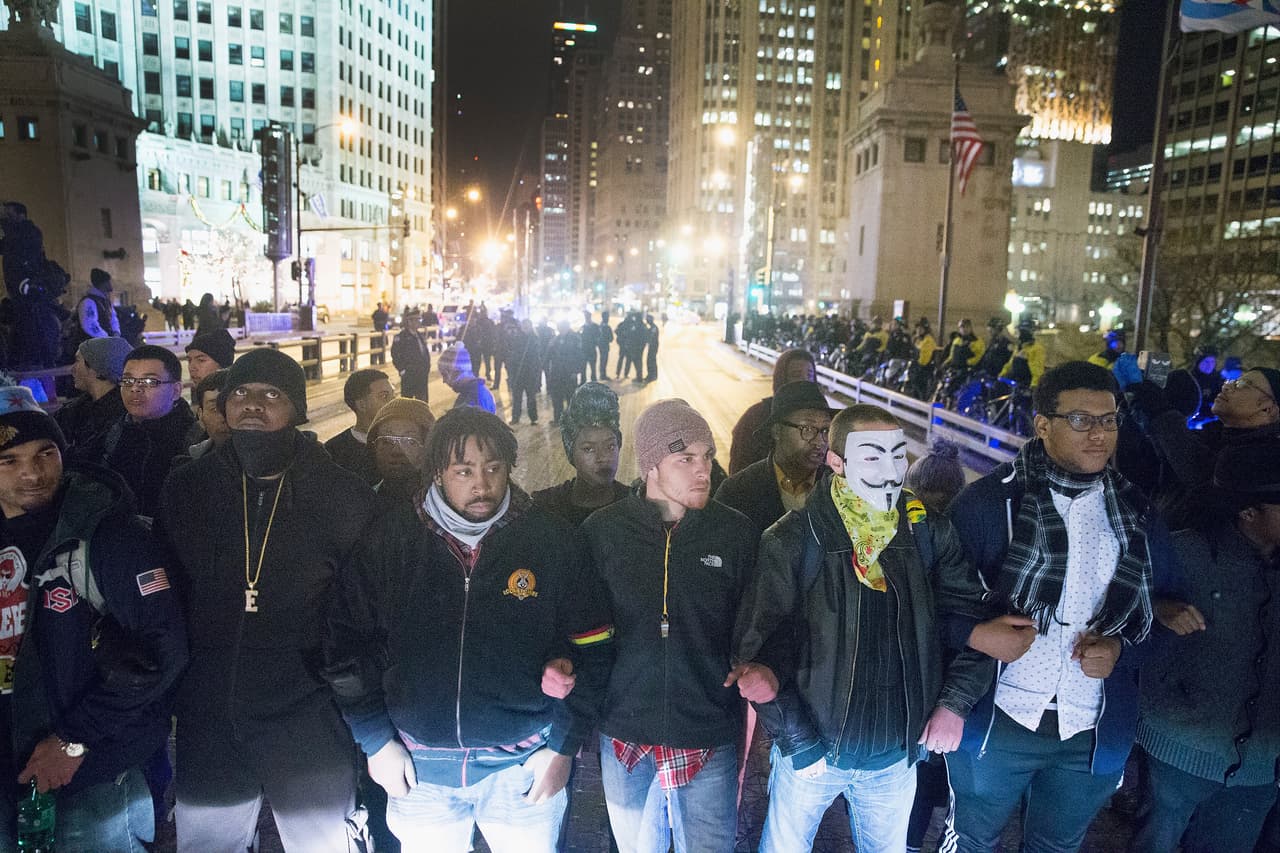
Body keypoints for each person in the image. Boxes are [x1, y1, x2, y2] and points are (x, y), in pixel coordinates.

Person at [325, 407, 614, 851]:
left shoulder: (551, 540)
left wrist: (563, 747)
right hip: (418, 770)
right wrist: (375, 741)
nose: (481, 484)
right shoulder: (392, 540)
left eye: (493, 468)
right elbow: (346, 643)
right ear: (438, 473)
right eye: (464, 470)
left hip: (523, 766)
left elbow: (594, 645)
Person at [732, 403, 993, 852]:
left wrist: (955, 703)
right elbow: (757, 647)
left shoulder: (927, 533)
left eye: (898, 455)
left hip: (895, 759)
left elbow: (972, 616)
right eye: (872, 456)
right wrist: (798, 739)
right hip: (811, 753)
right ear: (837, 461)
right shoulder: (793, 539)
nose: (891, 471)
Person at [944, 361, 1174, 853]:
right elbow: (931, 600)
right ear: (1043, 424)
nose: (1098, 434)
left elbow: (1162, 616)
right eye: (1080, 420)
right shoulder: (988, 504)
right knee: (971, 842)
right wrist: (978, 633)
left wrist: (1119, 650)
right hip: (998, 714)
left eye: (1109, 420)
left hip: (1091, 727)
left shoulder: (1138, 514)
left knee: (1057, 847)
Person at [158, 347, 374, 851]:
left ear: (296, 409)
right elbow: (165, 591)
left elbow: (365, 608)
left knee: (323, 842)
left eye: (271, 394)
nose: (252, 404)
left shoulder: (343, 496)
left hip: (308, 714)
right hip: (209, 714)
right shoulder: (188, 487)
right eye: (241, 393)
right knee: (208, 843)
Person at [0, 384, 187, 852]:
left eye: (46, 453)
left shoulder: (106, 534)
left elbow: (163, 647)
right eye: (10, 460)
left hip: (89, 773)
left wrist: (73, 740)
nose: (33, 473)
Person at [582, 399, 756, 853]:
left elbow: (759, 625)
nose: (704, 471)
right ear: (651, 465)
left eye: (708, 458)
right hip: (623, 733)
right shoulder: (602, 533)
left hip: (707, 733)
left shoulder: (735, 534)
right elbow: (584, 631)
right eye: (686, 459)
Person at [1128, 442, 1280, 853]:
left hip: (1260, 767)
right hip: (1178, 747)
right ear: (1249, 513)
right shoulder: (1184, 550)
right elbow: (1120, 606)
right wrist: (1158, 608)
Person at [1122, 362, 1280, 528]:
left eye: (1242, 384)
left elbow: (1202, 475)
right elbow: (1167, 474)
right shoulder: (1214, 437)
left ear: (1268, 409)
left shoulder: (1269, 458)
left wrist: (1161, 411)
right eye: (1232, 381)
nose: (1227, 387)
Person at [90, 345, 196, 518]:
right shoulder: (111, 432)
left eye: (149, 382)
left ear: (176, 391)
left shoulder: (193, 440)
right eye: (128, 381)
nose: (135, 389)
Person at [715, 380, 832, 535]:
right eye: (807, 429)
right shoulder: (737, 492)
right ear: (777, 431)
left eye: (825, 430)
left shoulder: (839, 489)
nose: (819, 442)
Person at [533, 382, 629, 526]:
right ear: (570, 452)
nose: (602, 458)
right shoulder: (546, 509)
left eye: (610, 446)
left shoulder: (635, 507)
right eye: (588, 449)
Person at [728, 348, 817, 475]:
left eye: (810, 375)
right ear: (782, 378)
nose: (805, 380)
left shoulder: (823, 420)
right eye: (796, 374)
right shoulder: (755, 417)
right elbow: (738, 469)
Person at [55, 336, 131, 455]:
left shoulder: (122, 418)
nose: (72, 369)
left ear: (96, 368)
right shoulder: (74, 410)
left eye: (77, 361)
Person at [324, 368, 396, 485]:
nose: (393, 402)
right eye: (384, 396)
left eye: (393, 396)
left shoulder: (408, 444)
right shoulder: (334, 452)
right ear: (362, 405)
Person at [366, 395, 435, 513]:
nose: (396, 451)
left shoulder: (444, 509)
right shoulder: (363, 503)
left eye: (410, 441)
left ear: (428, 449)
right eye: (386, 441)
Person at [172, 368, 232, 467]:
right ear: (200, 415)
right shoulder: (188, 465)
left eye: (231, 407)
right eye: (214, 409)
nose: (223, 417)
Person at [438, 342, 496, 413]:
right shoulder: (474, 392)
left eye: (445, 375)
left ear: (457, 372)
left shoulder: (471, 401)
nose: (444, 381)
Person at [506, 318, 544, 425]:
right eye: (524, 326)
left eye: (527, 326)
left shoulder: (534, 339)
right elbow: (513, 354)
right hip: (518, 372)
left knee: (531, 397)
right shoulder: (517, 338)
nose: (525, 328)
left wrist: (536, 374)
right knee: (517, 397)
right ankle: (515, 417)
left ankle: (533, 418)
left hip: (529, 373)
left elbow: (536, 358)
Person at [546, 321, 586, 423]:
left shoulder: (574, 338)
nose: (561, 329)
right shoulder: (556, 339)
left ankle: (572, 420)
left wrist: (576, 371)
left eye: (563, 327)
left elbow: (580, 356)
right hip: (557, 373)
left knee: (570, 397)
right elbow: (549, 355)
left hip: (569, 373)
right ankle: (558, 418)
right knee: (557, 397)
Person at [74, 267, 120, 344]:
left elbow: (113, 318)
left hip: (105, 343)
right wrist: (107, 338)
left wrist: (116, 333)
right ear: (103, 283)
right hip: (93, 346)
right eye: (108, 281)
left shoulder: (105, 301)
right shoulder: (88, 302)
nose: (111, 284)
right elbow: (89, 325)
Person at [391, 321, 431, 402]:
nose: (419, 322)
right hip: (409, 373)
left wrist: (427, 367)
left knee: (422, 402)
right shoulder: (402, 337)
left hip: (421, 373)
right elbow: (395, 354)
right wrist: (402, 370)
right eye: (416, 320)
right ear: (409, 322)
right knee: (407, 402)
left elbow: (424, 352)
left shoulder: (419, 335)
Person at [999, 323, 1045, 387]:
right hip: (1013, 380)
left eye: (1017, 333)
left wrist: (1034, 385)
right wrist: (1002, 375)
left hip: (1025, 382)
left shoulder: (1036, 349)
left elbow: (1037, 369)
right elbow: (1010, 363)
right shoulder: (1019, 347)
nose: (1014, 336)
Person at [581, 311, 600, 382]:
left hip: (591, 349)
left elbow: (598, 337)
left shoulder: (595, 326)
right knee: (583, 368)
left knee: (593, 368)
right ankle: (583, 383)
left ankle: (593, 382)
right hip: (584, 350)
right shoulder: (583, 327)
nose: (586, 318)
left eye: (587, 316)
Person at [597, 309, 613, 380]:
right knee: (604, 360)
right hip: (605, 346)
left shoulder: (600, 326)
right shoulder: (606, 327)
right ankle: (603, 375)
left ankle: (602, 374)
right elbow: (611, 338)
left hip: (601, 346)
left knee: (602, 360)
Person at [643, 314, 660, 383]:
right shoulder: (652, 327)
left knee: (651, 361)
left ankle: (652, 376)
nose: (647, 321)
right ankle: (651, 375)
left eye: (648, 320)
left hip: (653, 346)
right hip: (652, 346)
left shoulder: (654, 328)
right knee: (651, 360)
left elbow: (651, 336)